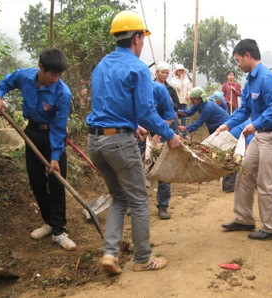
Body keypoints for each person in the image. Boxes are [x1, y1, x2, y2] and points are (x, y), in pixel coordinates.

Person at [86, 10, 181, 275]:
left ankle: (110, 254)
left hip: (95, 142)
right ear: (137, 38)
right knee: (138, 199)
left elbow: (110, 107)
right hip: (119, 144)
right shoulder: (137, 67)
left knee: (119, 197)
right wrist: (170, 134)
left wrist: (134, 127)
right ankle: (143, 259)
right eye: (142, 38)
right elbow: (147, 112)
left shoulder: (102, 64)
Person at [0, 48, 76, 251]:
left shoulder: (63, 93)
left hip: (53, 136)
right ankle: (48, 223)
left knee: (56, 183)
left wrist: (55, 156)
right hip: (31, 134)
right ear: (41, 68)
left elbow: (58, 127)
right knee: (36, 182)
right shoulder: (24, 76)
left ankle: (59, 231)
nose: (56, 79)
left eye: (60, 75)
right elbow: (5, 83)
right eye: (52, 74)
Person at [217, 39, 272, 241]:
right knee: (245, 174)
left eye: (238, 59)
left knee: (265, 182)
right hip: (261, 135)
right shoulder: (250, 80)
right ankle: (244, 218)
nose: (238, 64)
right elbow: (245, 110)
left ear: (247, 55)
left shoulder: (266, 78)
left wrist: (255, 124)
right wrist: (227, 125)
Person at [149, 81, 177, 220]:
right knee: (138, 169)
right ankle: (134, 204)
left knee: (164, 171)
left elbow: (170, 116)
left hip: (163, 132)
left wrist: (158, 134)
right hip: (142, 134)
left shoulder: (159, 90)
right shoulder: (132, 89)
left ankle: (163, 206)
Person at [154, 61, 181, 135]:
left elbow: (177, 105)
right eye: (162, 72)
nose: (165, 75)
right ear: (156, 72)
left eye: (167, 73)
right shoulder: (150, 87)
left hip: (168, 120)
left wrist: (170, 102)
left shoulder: (170, 89)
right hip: (155, 119)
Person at [171, 63, 191, 137]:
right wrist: (181, 79)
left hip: (184, 101)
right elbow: (179, 87)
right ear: (176, 71)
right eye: (179, 70)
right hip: (176, 101)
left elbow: (189, 89)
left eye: (182, 70)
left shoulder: (186, 80)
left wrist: (188, 94)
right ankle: (176, 133)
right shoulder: (173, 80)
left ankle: (185, 134)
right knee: (175, 117)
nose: (181, 72)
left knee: (184, 117)